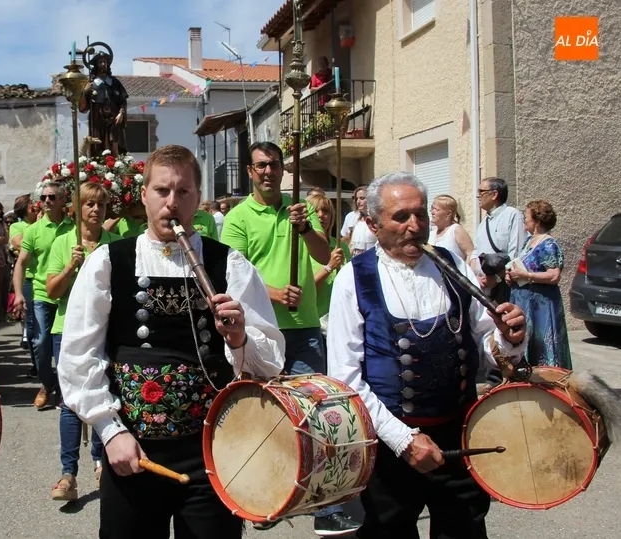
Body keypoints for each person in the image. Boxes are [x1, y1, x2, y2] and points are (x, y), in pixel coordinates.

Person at [58, 144, 285, 539]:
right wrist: (110, 432)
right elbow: (78, 356)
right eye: (162, 191)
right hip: (132, 450)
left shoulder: (230, 264)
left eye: (183, 192)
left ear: (197, 198)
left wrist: (239, 337)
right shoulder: (109, 262)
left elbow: (270, 363)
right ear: (144, 195)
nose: (171, 203)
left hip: (214, 451)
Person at [326, 172, 527, 539]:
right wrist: (404, 441)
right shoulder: (353, 279)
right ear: (372, 223)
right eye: (400, 217)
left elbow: (485, 338)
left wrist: (509, 336)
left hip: (461, 436)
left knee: (465, 528)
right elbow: (345, 378)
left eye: (420, 215)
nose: (414, 226)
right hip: (390, 444)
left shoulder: (452, 265)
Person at [221, 143, 360, 536]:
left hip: (304, 330)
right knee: (262, 418)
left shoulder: (300, 209)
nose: (268, 171)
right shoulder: (238, 218)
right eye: (261, 165)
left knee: (317, 416)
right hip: (262, 332)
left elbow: (323, 253)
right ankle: (264, 494)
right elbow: (235, 274)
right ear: (250, 171)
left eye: (275, 165)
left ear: (283, 170)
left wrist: (304, 227)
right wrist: (275, 294)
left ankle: (325, 503)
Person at [46, 182, 120, 501]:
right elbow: (51, 291)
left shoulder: (116, 245)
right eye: (89, 204)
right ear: (77, 208)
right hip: (68, 331)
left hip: (105, 331)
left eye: (101, 205)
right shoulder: (64, 243)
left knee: (103, 396)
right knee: (71, 403)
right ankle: (68, 474)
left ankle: (102, 462)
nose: (95, 210)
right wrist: (71, 266)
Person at [13, 182, 75, 409]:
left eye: (52, 197)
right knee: (39, 342)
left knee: (65, 345)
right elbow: (20, 263)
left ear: (62, 200)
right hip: (41, 292)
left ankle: (62, 387)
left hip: (67, 294)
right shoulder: (33, 230)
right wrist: (19, 293)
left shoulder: (74, 228)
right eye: (44, 197)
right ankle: (47, 384)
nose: (46, 200)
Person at [506, 200, 572, 368]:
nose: (524, 220)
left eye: (526, 216)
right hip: (524, 301)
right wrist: (512, 276)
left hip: (540, 305)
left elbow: (554, 275)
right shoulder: (528, 241)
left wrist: (525, 275)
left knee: (542, 343)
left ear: (536, 221)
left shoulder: (548, 244)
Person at [472, 176, 524, 304]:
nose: (477, 196)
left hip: (506, 287)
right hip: (484, 288)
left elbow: (516, 253)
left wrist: (496, 278)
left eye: (481, 192)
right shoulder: (483, 222)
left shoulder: (512, 215)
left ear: (494, 194)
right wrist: (475, 277)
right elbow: (476, 251)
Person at [307, 193, 351, 332]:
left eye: (326, 211)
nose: (321, 215)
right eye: (315, 211)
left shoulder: (340, 246)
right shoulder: (302, 247)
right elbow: (305, 290)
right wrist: (329, 267)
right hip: (314, 322)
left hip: (339, 320)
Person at [80, 49, 129, 156]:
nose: (103, 64)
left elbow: (123, 100)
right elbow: (83, 108)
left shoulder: (114, 82)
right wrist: (84, 92)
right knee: (98, 145)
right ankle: (98, 166)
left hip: (114, 118)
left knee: (115, 144)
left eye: (105, 62)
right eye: (100, 62)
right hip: (97, 120)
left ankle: (117, 165)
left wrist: (121, 113)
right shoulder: (91, 83)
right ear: (96, 65)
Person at [9, 194, 39, 363]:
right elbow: (20, 244)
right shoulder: (17, 226)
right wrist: (37, 227)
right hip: (28, 279)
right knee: (32, 323)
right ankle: (36, 364)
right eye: (32, 205)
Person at [428, 194, 475, 262]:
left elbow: (471, 254)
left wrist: (466, 272)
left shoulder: (456, 230)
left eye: (436, 209)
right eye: (432, 209)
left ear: (448, 214)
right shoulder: (431, 234)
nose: (432, 212)